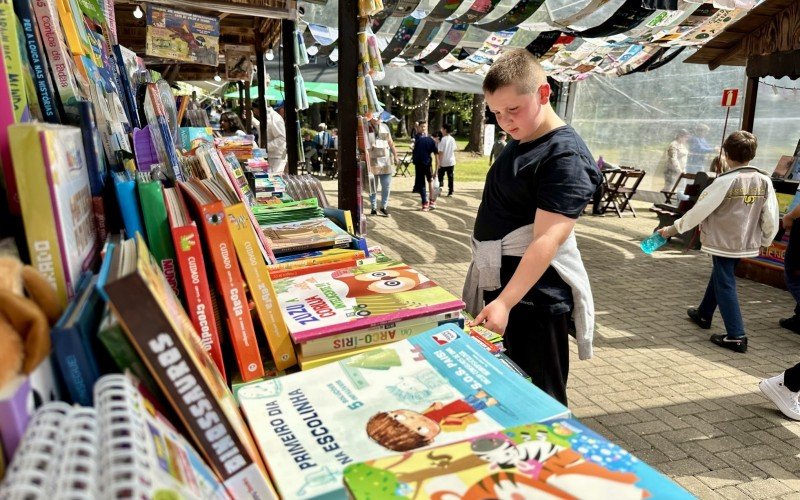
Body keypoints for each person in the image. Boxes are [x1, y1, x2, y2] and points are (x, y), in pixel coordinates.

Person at [462, 49, 601, 406]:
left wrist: (507, 302)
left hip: (534, 300)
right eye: (496, 113)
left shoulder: (564, 156)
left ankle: (552, 459)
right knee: (509, 390)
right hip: (507, 289)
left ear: (543, 93)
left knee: (541, 399)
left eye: (513, 109)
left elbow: (548, 238)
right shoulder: (522, 140)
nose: (505, 121)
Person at [658, 131, 778, 354]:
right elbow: (770, 215)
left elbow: (697, 213)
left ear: (726, 152)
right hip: (747, 242)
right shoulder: (764, 180)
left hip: (722, 241)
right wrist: (766, 239)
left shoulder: (724, 181)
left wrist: (670, 230)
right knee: (721, 275)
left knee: (725, 282)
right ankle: (704, 314)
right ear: (752, 153)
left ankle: (736, 335)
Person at [367, 116, 398, 217]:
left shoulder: (385, 127)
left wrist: (396, 156)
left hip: (385, 161)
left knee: (386, 186)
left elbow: (391, 143)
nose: (377, 119)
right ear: (370, 117)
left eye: (379, 116)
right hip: (371, 161)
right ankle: (373, 207)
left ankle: (383, 207)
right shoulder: (365, 127)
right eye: (375, 116)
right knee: (372, 186)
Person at [252, 101, 287, 174]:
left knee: (274, 179)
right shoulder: (266, 117)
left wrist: (266, 147)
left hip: (277, 156)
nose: (257, 114)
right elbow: (262, 128)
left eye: (257, 112)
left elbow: (281, 138)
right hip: (269, 155)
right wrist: (251, 119)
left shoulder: (275, 118)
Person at [411, 121, 439, 212]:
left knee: (429, 181)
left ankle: (430, 201)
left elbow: (436, 155)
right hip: (420, 163)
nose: (423, 128)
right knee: (423, 183)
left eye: (424, 127)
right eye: (422, 127)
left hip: (426, 164)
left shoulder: (427, 139)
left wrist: (436, 169)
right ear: (419, 127)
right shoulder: (419, 138)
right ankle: (426, 202)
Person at [437, 124, 456, 197]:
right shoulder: (452, 139)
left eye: (442, 129)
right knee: (450, 176)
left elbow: (440, 152)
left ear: (445, 130)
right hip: (451, 161)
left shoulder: (442, 140)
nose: (441, 130)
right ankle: (450, 191)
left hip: (443, 162)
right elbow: (454, 149)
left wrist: (439, 162)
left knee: (440, 176)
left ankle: (440, 187)